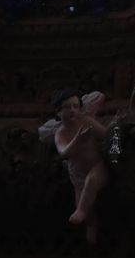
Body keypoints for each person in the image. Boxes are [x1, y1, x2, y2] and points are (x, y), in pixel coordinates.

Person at [40, 89, 111, 244]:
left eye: (75, 106)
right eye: (67, 107)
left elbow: (106, 134)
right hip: (78, 175)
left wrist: (115, 130)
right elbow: (64, 153)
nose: (72, 110)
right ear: (58, 112)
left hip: (98, 167)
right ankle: (91, 224)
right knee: (86, 206)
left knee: (91, 182)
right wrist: (78, 139)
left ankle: (81, 211)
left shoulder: (86, 122)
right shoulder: (61, 132)